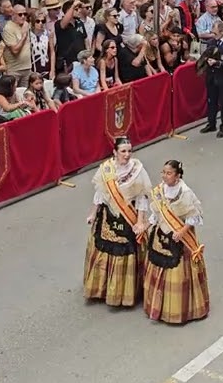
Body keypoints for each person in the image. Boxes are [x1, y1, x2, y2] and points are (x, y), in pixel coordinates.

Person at [83, 137, 152, 308]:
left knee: (125, 253)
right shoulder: (106, 169)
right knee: (104, 249)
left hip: (129, 218)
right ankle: (103, 288)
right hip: (108, 217)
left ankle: (125, 293)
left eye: (129, 151)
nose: (127, 155)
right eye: (123, 151)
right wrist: (93, 214)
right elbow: (100, 195)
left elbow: (141, 197)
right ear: (115, 152)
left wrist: (142, 222)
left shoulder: (137, 170)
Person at [143, 160, 210, 324]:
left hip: (180, 238)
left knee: (178, 274)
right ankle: (158, 307)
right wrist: (147, 225)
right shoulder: (160, 190)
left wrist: (181, 231)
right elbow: (157, 213)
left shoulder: (185, 192)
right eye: (163, 172)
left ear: (177, 175)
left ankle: (180, 310)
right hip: (162, 235)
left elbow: (193, 215)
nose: (165, 176)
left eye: (169, 173)